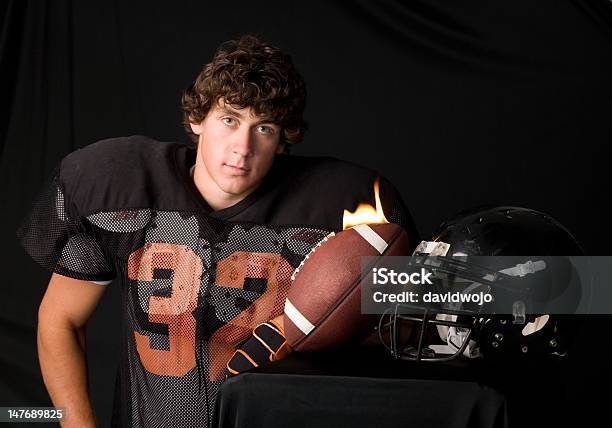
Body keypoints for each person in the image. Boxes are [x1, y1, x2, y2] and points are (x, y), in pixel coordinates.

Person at [18, 35, 420, 427]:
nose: (242, 147)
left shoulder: (347, 204)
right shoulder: (118, 188)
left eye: (264, 128)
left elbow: (410, 325)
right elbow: (60, 320)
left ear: (282, 140)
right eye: (230, 120)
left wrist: (315, 325)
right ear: (197, 119)